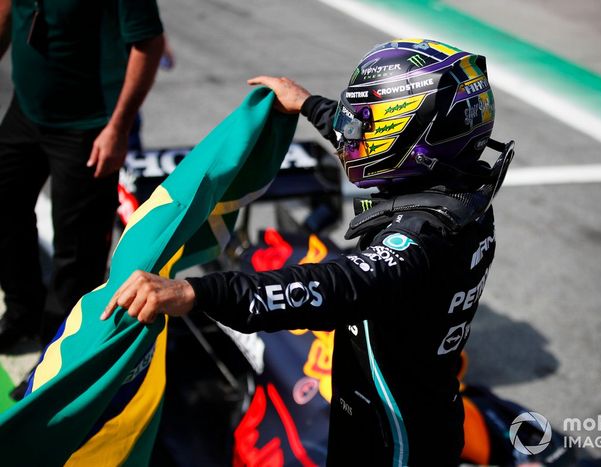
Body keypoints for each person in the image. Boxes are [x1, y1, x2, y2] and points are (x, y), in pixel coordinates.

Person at [102, 39, 515, 466]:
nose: (352, 136)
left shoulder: (426, 235)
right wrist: (308, 104)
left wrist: (198, 293)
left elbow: (339, 286)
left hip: (394, 443)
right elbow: (377, 140)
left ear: (417, 133)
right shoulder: (462, 191)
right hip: (410, 414)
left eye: (365, 125)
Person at [0, 0, 165, 351]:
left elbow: (148, 44)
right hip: (26, 110)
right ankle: (22, 312)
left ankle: (56, 352)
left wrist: (118, 128)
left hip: (89, 127)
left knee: (78, 254)